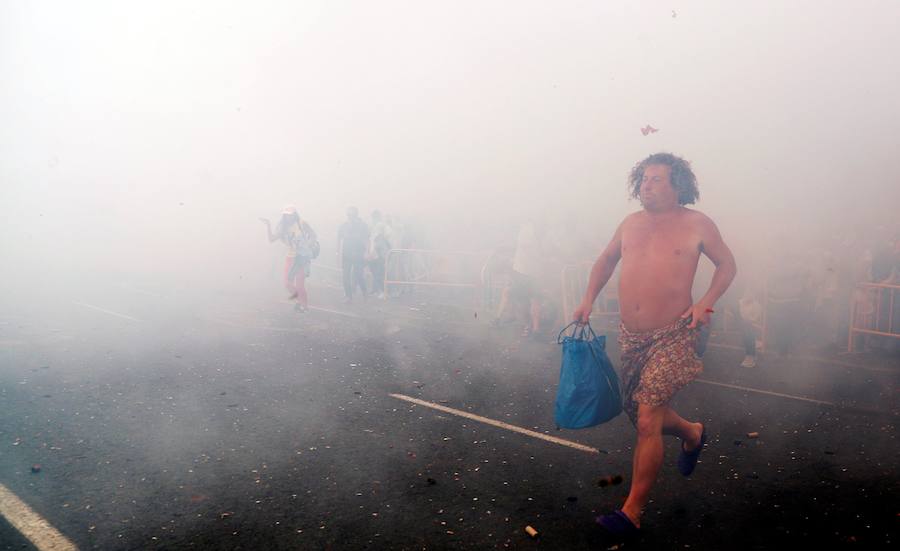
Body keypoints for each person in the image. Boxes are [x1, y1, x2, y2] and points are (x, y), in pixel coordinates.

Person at [571, 153, 736, 536]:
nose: (646, 184)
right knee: (641, 412)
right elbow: (605, 260)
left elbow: (727, 264)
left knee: (647, 419)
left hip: (676, 332)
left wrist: (705, 302)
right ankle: (693, 433)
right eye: (643, 179)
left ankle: (631, 513)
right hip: (632, 335)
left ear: (677, 183)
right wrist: (587, 299)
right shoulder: (630, 223)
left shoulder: (697, 223)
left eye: (656, 179)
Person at [260, 205, 317, 312]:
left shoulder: (302, 223)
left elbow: (313, 235)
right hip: (290, 257)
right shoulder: (283, 227)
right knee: (287, 283)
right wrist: (268, 225)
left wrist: (309, 245)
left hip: (302, 257)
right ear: (284, 216)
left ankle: (304, 306)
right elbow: (271, 239)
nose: (288, 217)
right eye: (286, 215)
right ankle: (300, 301)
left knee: (299, 284)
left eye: (290, 215)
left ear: (295, 215)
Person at [338, 207, 369, 303]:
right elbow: (339, 239)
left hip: (358, 253)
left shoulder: (362, 226)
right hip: (346, 254)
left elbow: (367, 239)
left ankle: (364, 291)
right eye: (348, 215)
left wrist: (367, 252)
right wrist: (337, 252)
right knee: (345, 276)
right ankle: (348, 296)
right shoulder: (343, 226)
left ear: (356, 215)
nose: (350, 217)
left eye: (352, 215)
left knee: (359, 275)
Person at [367, 210, 392, 299]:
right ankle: (378, 290)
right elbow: (371, 242)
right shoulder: (373, 229)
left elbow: (383, 243)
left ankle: (384, 292)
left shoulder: (382, 228)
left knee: (379, 274)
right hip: (374, 256)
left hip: (380, 256)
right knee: (375, 274)